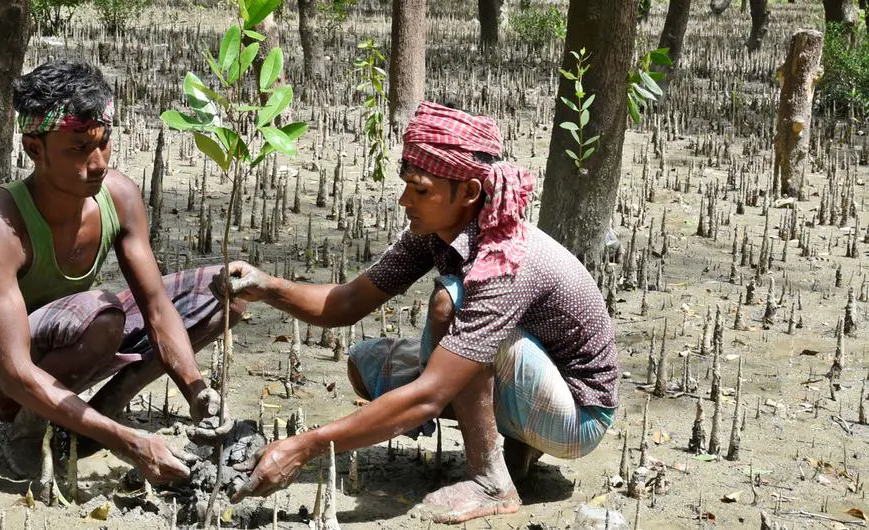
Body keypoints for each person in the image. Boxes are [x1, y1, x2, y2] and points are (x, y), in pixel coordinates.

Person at [217, 101, 619, 523]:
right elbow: (349, 302)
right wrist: (268, 287)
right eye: (406, 183)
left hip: (577, 416)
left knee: (452, 303)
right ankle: (517, 447)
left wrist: (303, 447)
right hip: (530, 380)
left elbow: (429, 396)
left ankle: (492, 481)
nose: (405, 199)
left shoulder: (505, 259)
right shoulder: (435, 231)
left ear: (468, 193)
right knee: (368, 364)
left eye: (421, 190)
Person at [0, 61, 240, 484]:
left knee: (229, 293)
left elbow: (158, 309)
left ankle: (103, 411)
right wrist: (128, 443)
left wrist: (196, 388)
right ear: (35, 149)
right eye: (77, 149)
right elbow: (14, 373)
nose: (98, 162)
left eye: (103, 143)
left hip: (69, 339)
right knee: (103, 317)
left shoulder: (120, 196)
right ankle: (27, 436)